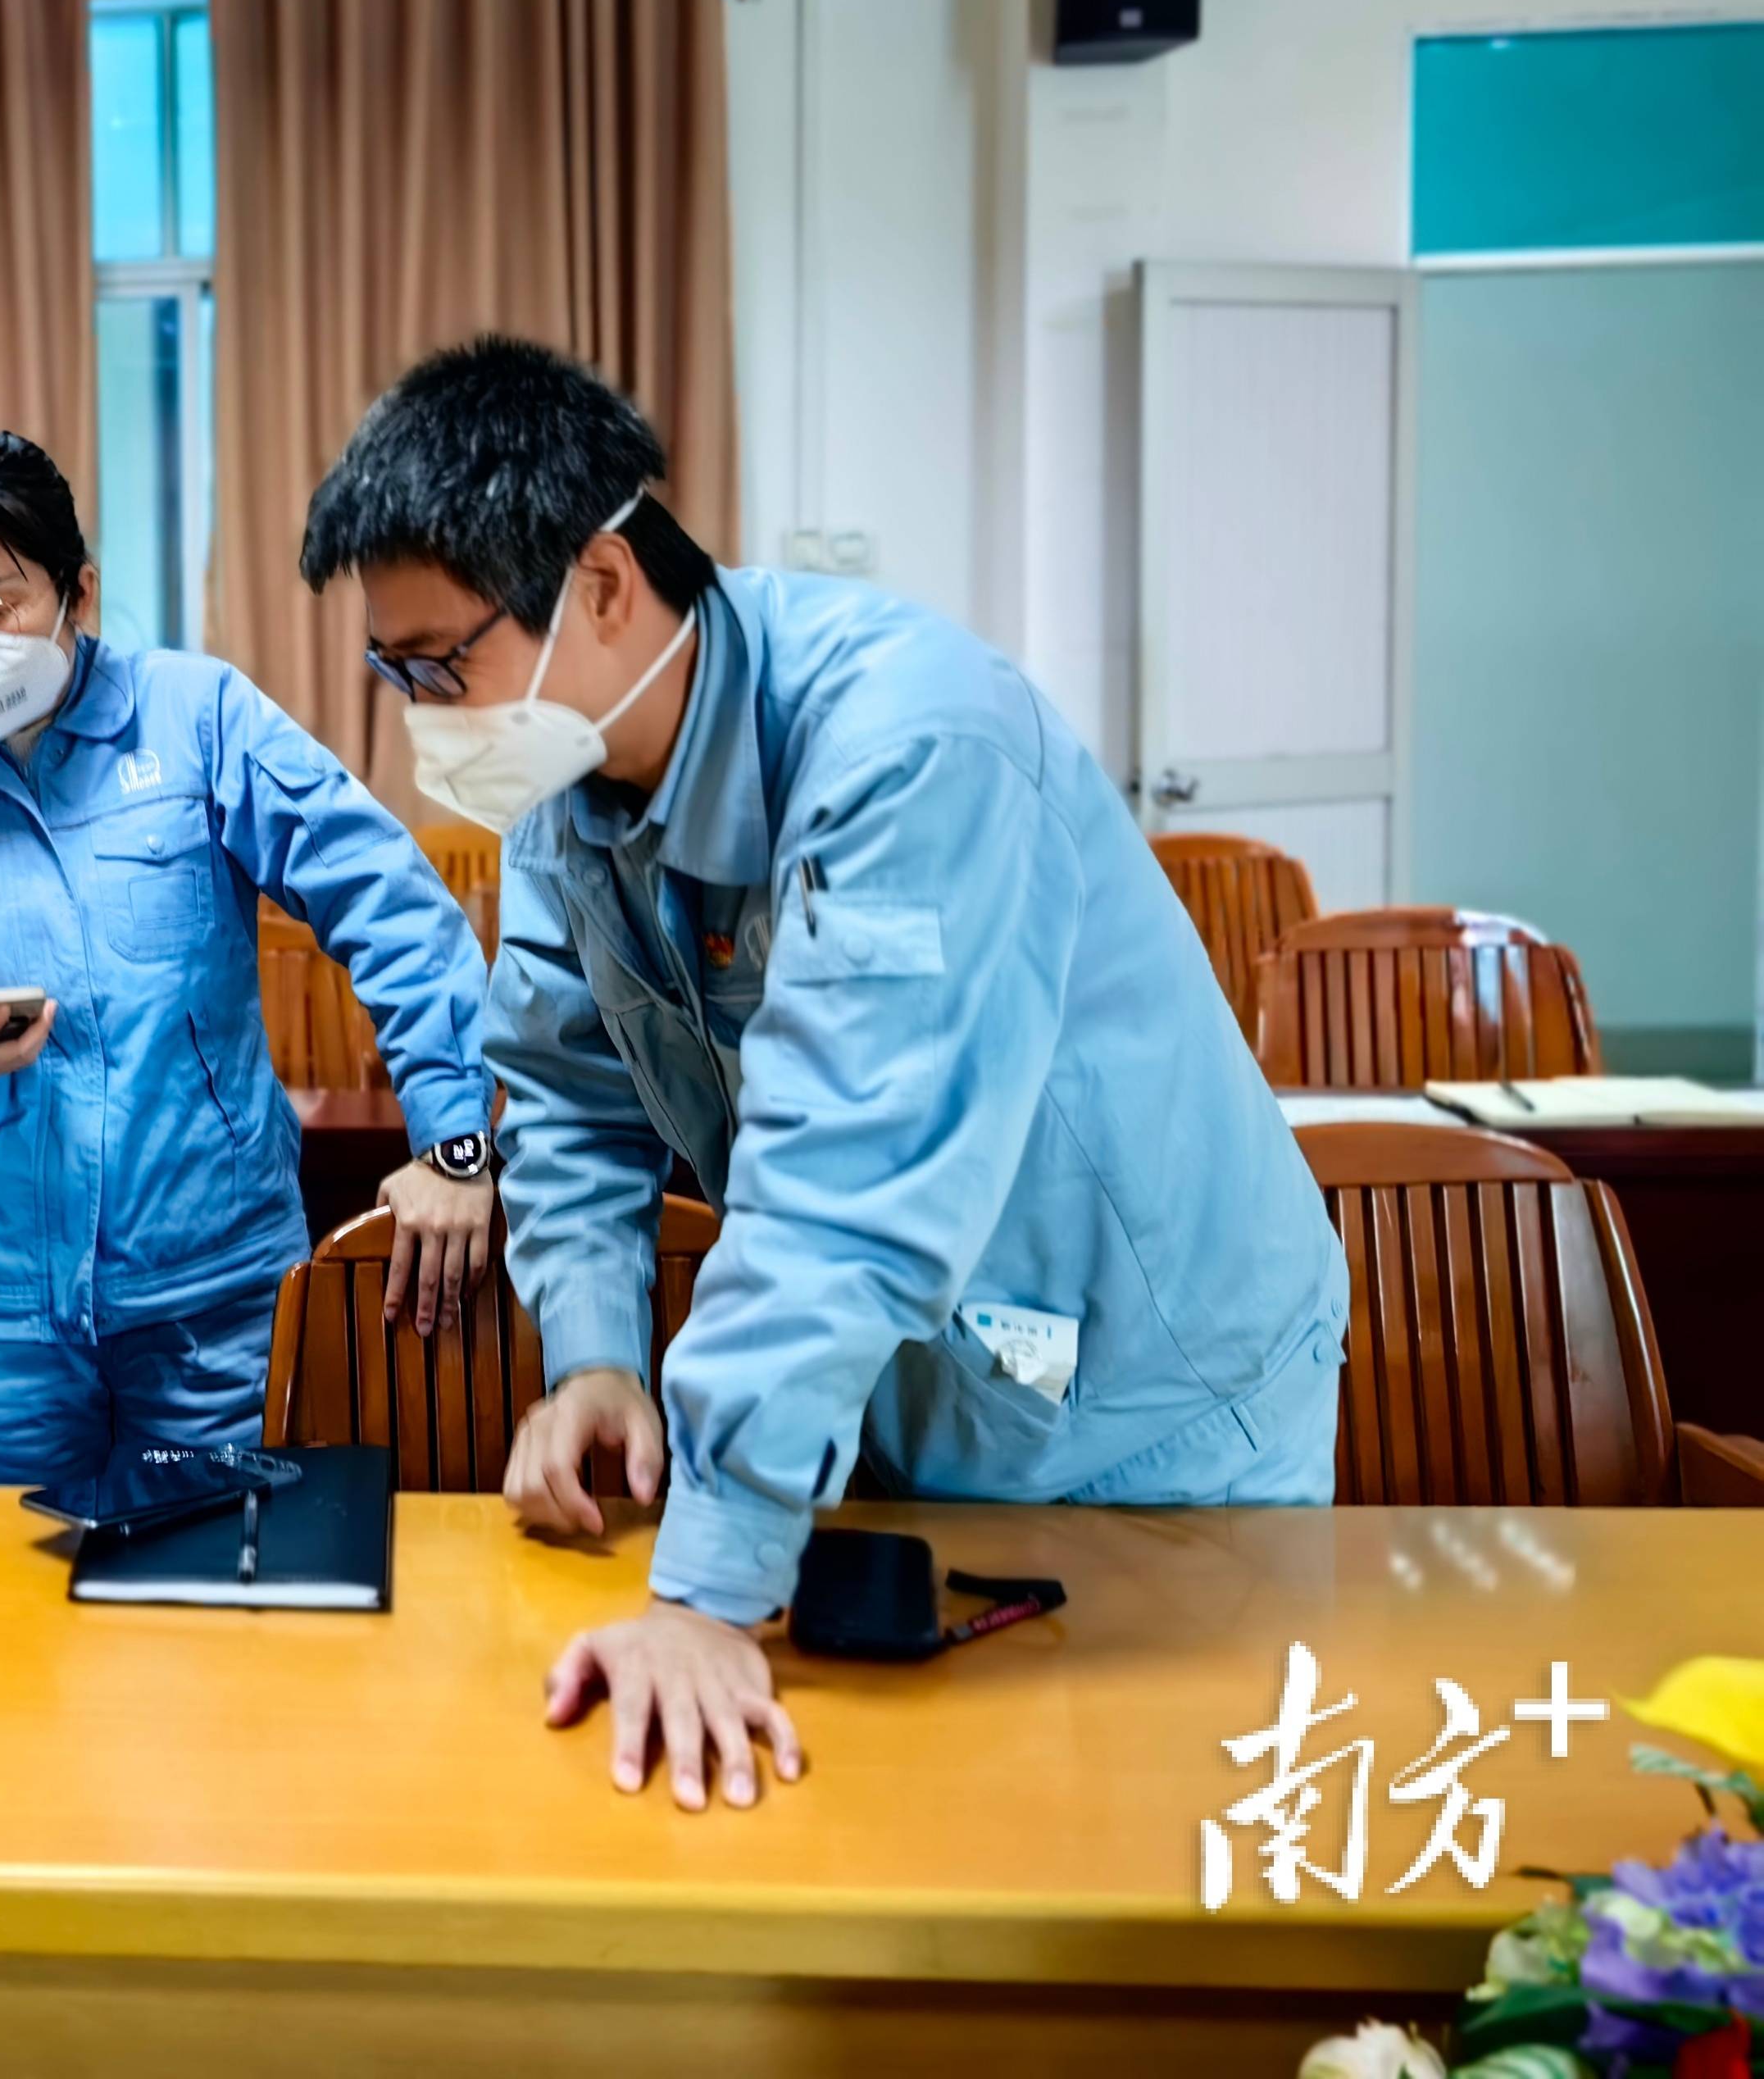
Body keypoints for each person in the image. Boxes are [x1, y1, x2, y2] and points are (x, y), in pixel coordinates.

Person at [299, 336, 1346, 1809]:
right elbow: (568, 1097)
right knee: (905, 1828)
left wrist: (706, 1594)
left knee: (1151, 1840)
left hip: (1146, 1393)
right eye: (391, 670)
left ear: (598, 585)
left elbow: (843, 1183)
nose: (423, 715)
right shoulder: (572, 786)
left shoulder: (912, 747)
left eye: (442, 663)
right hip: (910, 1378)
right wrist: (596, 1353)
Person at [0, 431, 495, 1485]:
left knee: (208, 1612)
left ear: (80, 592)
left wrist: (456, 1143)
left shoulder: (199, 718)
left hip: (209, 1297)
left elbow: (391, 905)